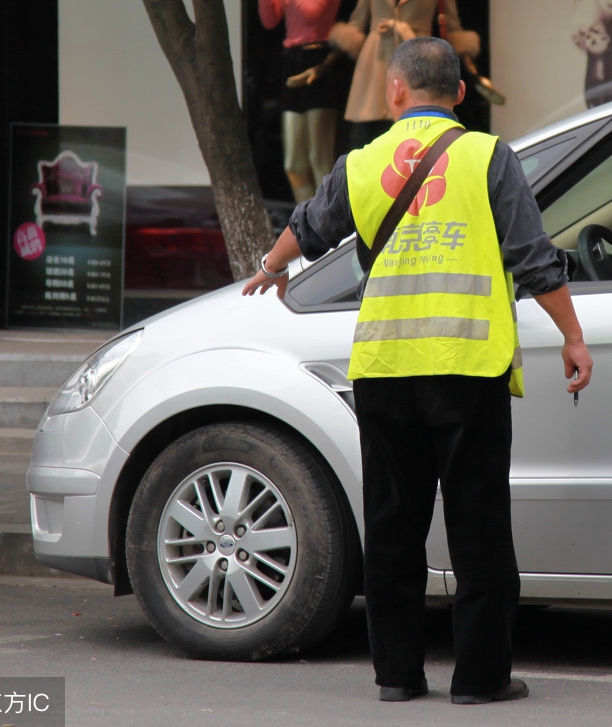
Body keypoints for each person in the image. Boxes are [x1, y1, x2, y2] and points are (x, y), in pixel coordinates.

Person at [241, 36, 592, 705]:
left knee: (393, 525)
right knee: (478, 525)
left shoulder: (362, 163)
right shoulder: (490, 157)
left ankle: (397, 676)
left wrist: (268, 266)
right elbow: (533, 255)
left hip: (386, 368)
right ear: (460, 94)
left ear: (395, 92)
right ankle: (481, 678)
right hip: (468, 369)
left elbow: (309, 228)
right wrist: (572, 335)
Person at [330, 0, 483, 148]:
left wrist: (472, 68)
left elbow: (452, 27)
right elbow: (356, 23)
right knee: (365, 135)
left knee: (416, 135)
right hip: (375, 62)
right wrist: (326, 60)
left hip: (419, 58)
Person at [258, 0, 345, 203]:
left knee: (319, 158)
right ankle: (307, 223)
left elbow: (311, 13)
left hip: (318, 60)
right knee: (293, 164)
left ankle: (329, 218)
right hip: (291, 60)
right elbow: (269, 21)